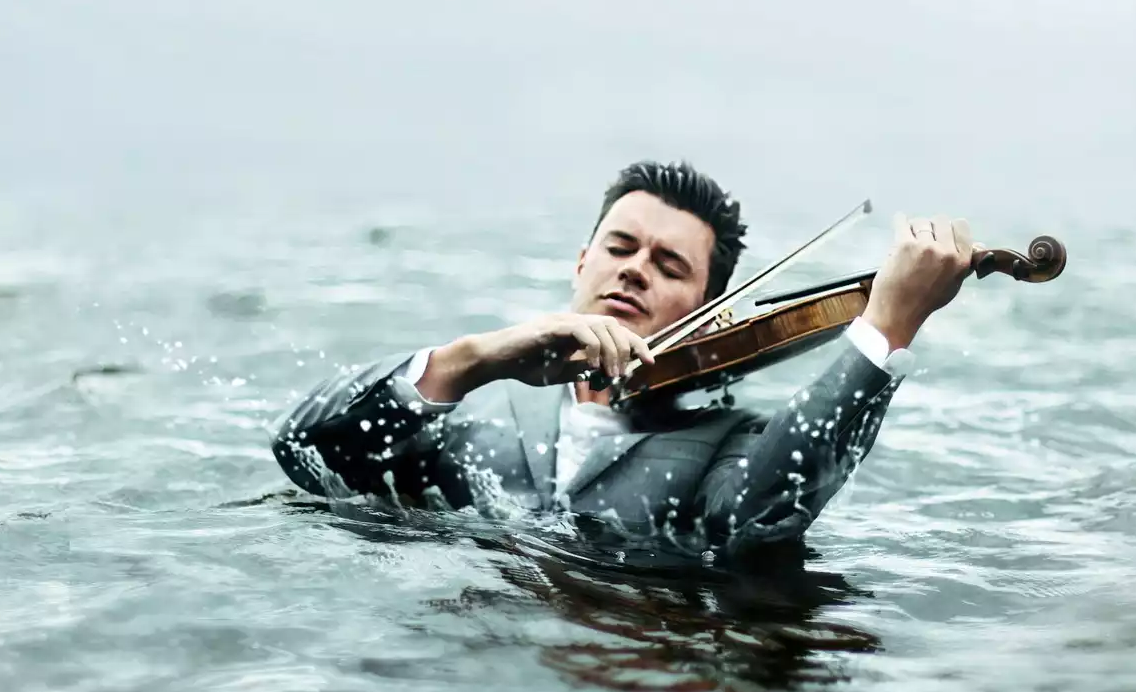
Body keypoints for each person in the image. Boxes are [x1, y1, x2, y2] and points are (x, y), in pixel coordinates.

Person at [271, 161, 975, 558]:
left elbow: (760, 517)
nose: (635, 269)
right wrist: (472, 360)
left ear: (711, 310)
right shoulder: (465, 395)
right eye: (619, 248)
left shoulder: (727, 444)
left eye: (669, 265)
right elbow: (306, 453)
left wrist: (888, 325)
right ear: (582, 262)